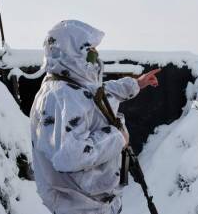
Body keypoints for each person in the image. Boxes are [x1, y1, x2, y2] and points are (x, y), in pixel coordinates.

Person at [30, 20, 160, 214]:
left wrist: (135, 85)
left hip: (95, 204)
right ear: (72, 53)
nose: (96, 57)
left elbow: (96, 95)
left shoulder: (70, 86)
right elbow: (70, 156)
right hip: (81, 207)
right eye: (90, 52)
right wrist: (117, 137)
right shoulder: (61, 97)